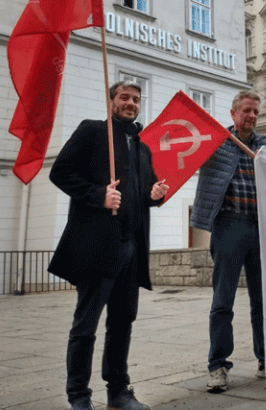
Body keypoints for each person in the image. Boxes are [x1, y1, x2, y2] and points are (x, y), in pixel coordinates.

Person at [48, 82, 168, 410]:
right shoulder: (92, 132)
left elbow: (143, 193)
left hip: (131, 248)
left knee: (122, 322)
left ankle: (118, 392)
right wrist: (97, 195)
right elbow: (60, 173)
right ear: (112, 101)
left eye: (136, 99)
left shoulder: (142, 147)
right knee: (86, 324)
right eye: (124, 98)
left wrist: (154, 196)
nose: (130, 103)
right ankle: (79, 397)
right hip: (97, 245)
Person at [190, 90, 266, 393]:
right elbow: (186, 154)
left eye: (255, 112)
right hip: (228, 225)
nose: (251, 116)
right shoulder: (215, 142)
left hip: (261, 228)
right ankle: (218, 365)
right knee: (223, 299)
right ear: (234, 113)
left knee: (262, 299)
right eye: (246, 110)